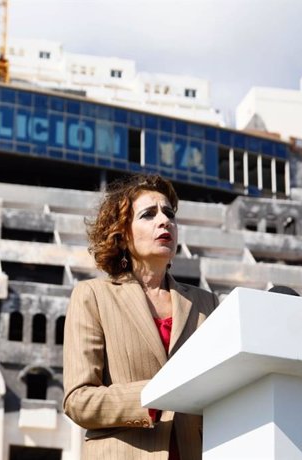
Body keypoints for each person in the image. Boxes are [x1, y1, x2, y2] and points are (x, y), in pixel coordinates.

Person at [63, 174, 219, 460]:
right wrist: (153, 396)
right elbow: (78, 400)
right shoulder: (93, 296)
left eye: (169, 213)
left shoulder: (206, 302)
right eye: (149, 214)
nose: (165, 221)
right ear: (122, 234)